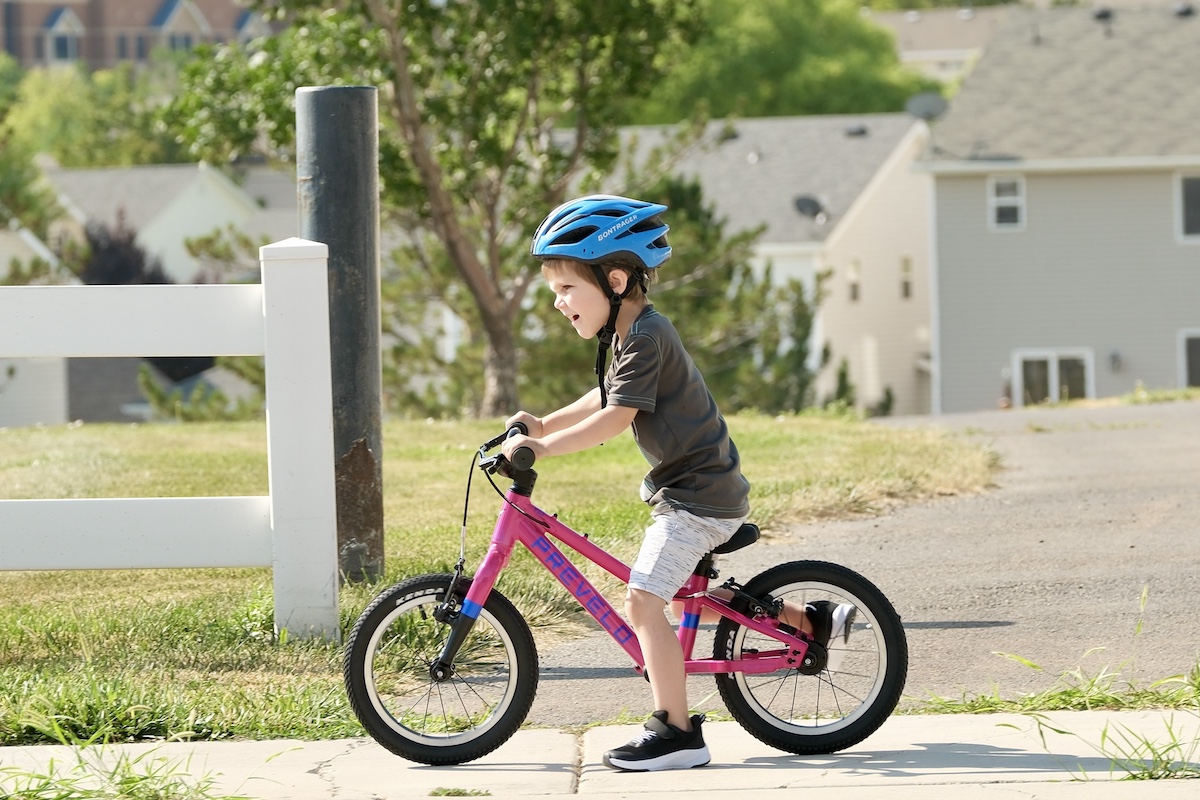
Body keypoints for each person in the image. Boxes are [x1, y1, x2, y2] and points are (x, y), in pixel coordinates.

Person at [502, 194, 852, 771]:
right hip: (696, 491)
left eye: (566, 287)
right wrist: (544, 423)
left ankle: (677, 733)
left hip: (698, 499)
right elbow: (606, 395)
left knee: (642, 602)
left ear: (615, 281)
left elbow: (615, 418)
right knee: (688, 601)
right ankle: (810, 622)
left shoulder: (647, 337)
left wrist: (543, 447)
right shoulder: (632, 334)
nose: (557, 301)